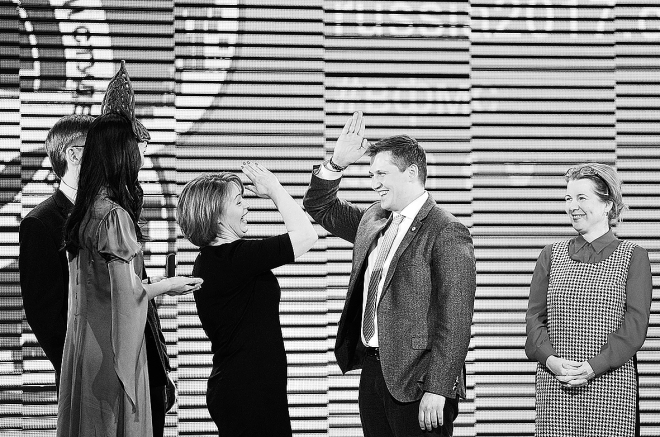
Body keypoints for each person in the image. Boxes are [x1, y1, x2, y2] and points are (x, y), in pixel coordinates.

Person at [303, 112, 476, 436]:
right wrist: (336, 164)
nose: (374, 183)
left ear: (411, 173)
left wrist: (439, 388)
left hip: (420, 381)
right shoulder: (374, 218)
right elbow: (319, 207)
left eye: (382, 173)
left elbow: (456, 319)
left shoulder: (446, 230)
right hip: (374, 372)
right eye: (372, 174)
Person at [57, 112, 203, 437]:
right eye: (137, 149)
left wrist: (155, 284)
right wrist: (168, 285)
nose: (142, 159)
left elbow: (107, 288)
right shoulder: (114, 215)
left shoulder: (85, 210)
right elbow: (127, 298)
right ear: (120, 154)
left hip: (83, 346)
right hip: (110, 349)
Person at [177, 163, 317, 436]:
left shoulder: (216, 260)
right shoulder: (233, 258)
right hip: (247, 392)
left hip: (250, 389)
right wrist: (275, 189)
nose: (247, 207)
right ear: (217, 217)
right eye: (239, 202)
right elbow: (306, 236)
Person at [525, 163, 652, 436]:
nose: (572, 206)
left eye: (581, 198)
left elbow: (634, 328)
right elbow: (534, 319)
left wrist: (593, 368)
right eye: (568, 198)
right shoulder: (551, 254)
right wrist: (551, 361)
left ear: (608, 204)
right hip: (556, 386)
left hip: (611, 387)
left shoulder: (633, 256)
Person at [20, 114, 93, 394]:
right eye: (98, 148)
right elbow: (44, 314)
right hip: (81, 374)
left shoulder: (112, 211)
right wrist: (76, 366)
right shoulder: (40, 222)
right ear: (74, 155)